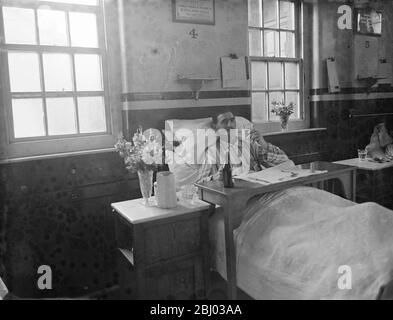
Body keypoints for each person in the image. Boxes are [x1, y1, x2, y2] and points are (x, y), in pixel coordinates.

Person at [196, 112, 290, 182]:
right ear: (215, 126)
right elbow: (198, 185)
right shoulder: (212, 152)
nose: (230, 125)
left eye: (232, 120)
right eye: (224, 121)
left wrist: (263, 143)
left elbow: (283, 160)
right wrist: (214, 178)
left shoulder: (249, 144)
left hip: (258, 189)